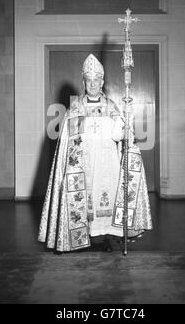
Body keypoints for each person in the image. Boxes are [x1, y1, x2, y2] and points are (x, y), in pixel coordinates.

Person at [38, 54, 152, 252]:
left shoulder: (112, 107)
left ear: (102, 82)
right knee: (85, 202)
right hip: (85, 166)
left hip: (108, 165)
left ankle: (107, 237)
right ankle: (84, 238)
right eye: (89, 80)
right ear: (84, 82)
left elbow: (119, 136)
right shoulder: (75, 109)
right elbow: (70, 144)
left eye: (96, 80)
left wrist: (127, 118)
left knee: (107, 199)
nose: (92, 84)